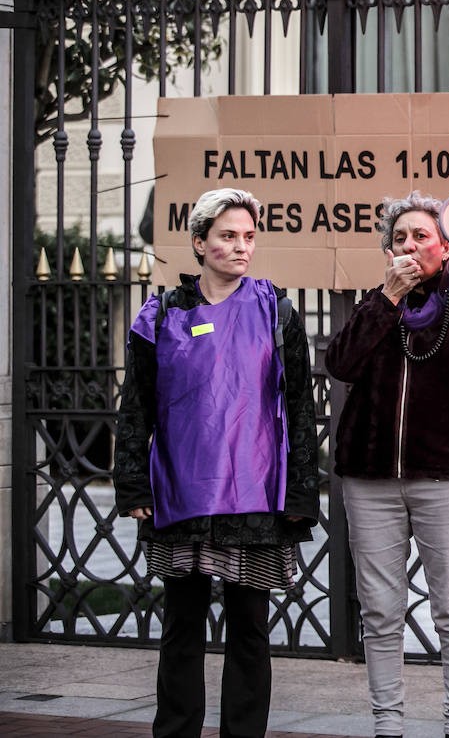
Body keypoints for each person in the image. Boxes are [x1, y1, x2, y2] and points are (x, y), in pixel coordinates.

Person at [114, 187, 319, 738]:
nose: (241, 247)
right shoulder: (161, 314)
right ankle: (176, 731)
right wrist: (133, 484)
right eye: (228, 236)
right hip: (180, 494)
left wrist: (301, 493)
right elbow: (137, 403)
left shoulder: (276, 308)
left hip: (255, 499)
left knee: (250, 629)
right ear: (200, 243)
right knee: (181, 626)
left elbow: (301, 403)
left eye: (249, 237)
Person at [325, 190, 449, 738]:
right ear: (388, 250)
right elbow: (340, 364)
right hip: (371, 479)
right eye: (399, 237)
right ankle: (388, 725)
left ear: (444, 245)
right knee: (380, 611)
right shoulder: (375, 301)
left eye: (421, 236)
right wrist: (384, 301)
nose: (410, 245)